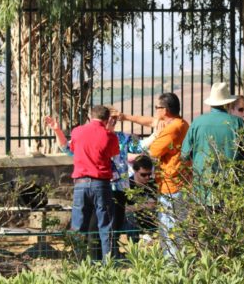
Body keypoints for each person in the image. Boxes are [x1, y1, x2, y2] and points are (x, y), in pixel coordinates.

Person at [119, 93, 189, 255]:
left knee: (170, 228)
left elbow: (153, 151)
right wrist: (126, 117)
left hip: (171, 184)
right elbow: (151, 121)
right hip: (178, 182)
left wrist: (156, 135)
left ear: (164, 110)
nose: (156, 111)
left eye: (157, 108)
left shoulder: (172, 128)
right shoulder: (180, 123)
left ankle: (171, 264)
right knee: (175, 228)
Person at [63, 105, 119, 261]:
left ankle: (77, 261)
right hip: (101, 183)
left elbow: (72, 148)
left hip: (80, 184)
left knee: (78, 225)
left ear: (90, 115)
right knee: (105, 225)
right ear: (107, 119)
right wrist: (111, 130)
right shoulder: (109, 135)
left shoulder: (77, 131)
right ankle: (108, 263)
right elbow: (114, 153)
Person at [181, 82, 244, 204]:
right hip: (231, 189)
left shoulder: (197, 122)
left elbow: (184, 155)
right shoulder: (237, 123)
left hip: (203, 189)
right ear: (228, 103)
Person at [125, 155, 158, 239]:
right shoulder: (127, 185)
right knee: (130, 215)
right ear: (135, 171)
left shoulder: (152, 183)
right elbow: (124, 208)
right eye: (143, 175)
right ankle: (134, 242)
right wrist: (144, 205)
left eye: (149, 174)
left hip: (149, 221)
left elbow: (155, 204)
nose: (147, 177)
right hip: (131, 223)